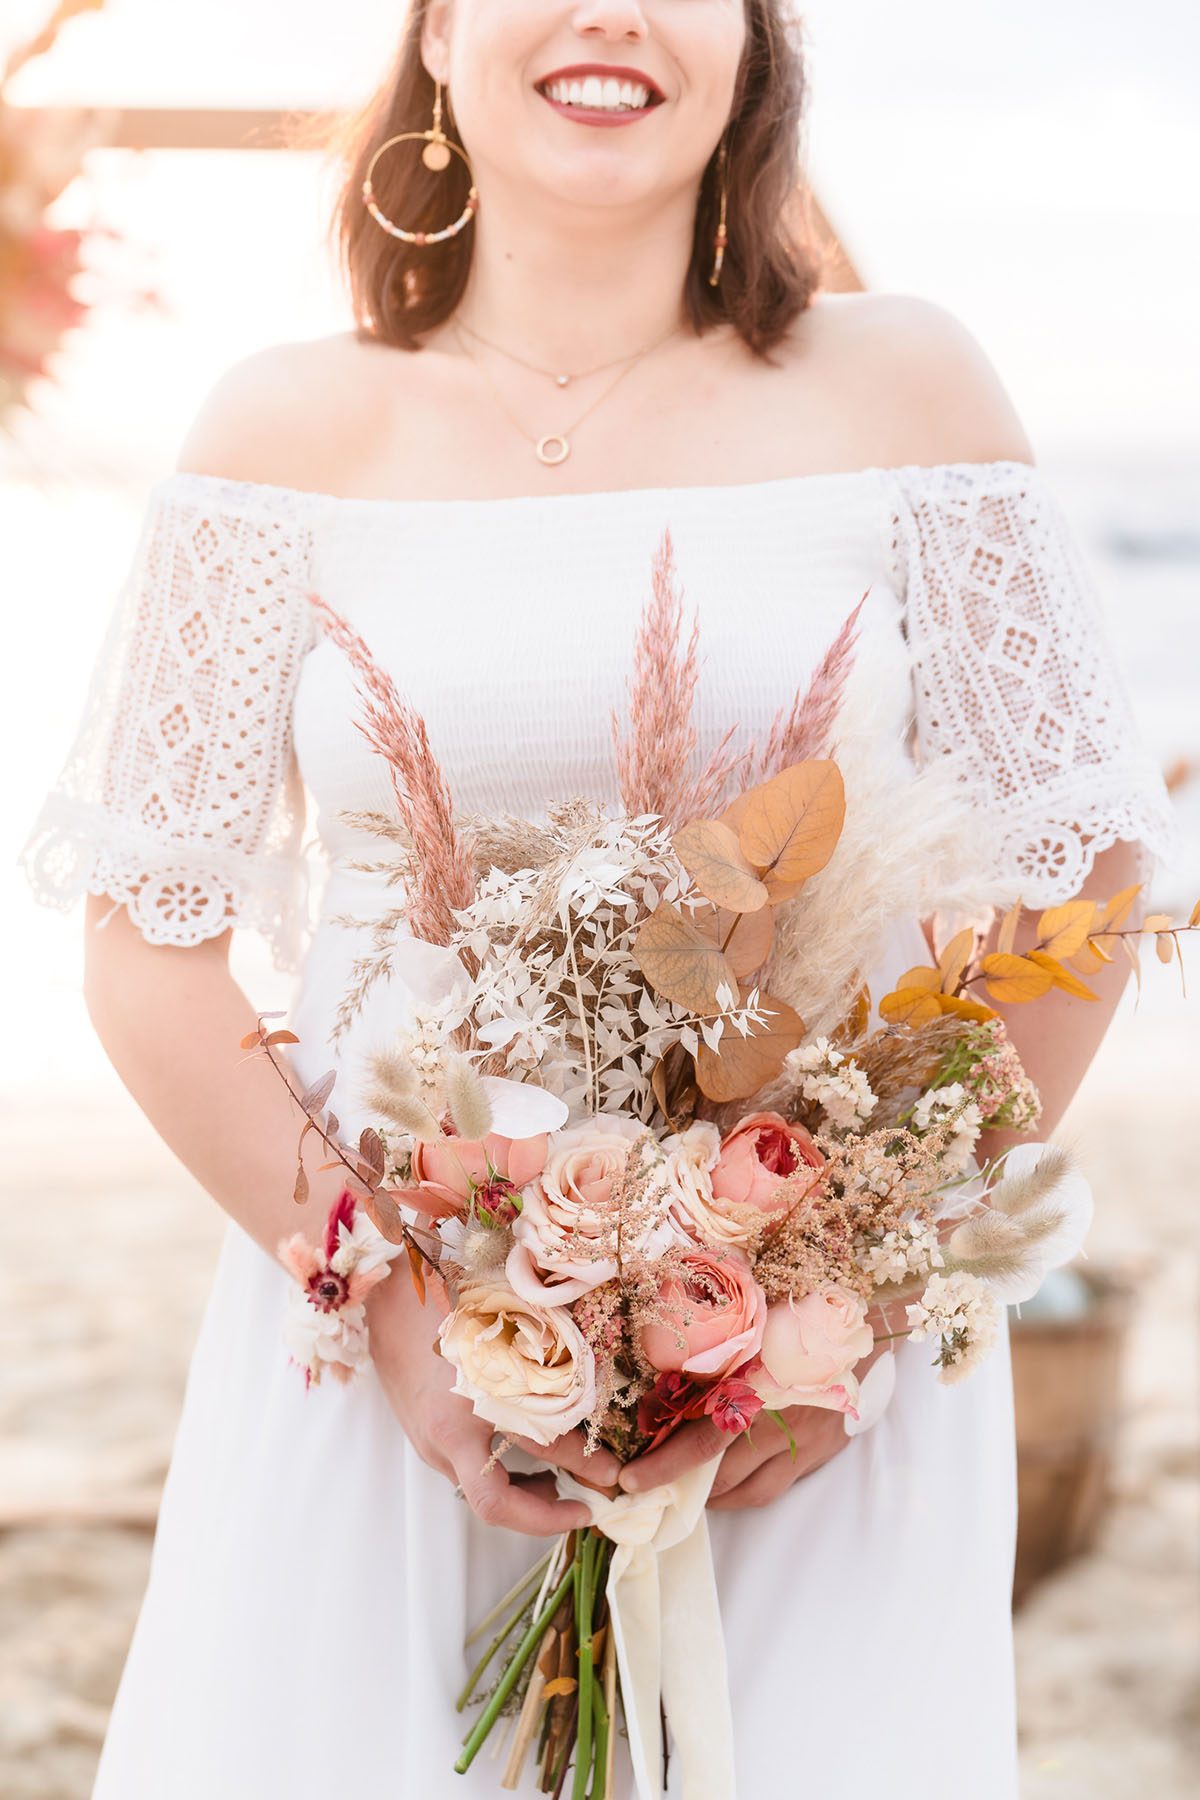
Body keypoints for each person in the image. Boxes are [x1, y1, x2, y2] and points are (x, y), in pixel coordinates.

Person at [17, 2, 1179, 1795]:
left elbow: (1085, 871)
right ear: (440, 31)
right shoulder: (281, 425)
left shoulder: (909, 389)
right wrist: (403, 1320)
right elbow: (146, 946)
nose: (612, 10)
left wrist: (837, 1300)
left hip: (810, 1385)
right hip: (384, 1322)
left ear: (753, 43)